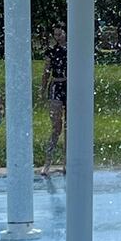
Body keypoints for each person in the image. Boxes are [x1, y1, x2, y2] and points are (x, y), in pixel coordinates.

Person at [40, 26, 68, 177]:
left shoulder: (72, 48)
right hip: (56, 86)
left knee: (69, 129)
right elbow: (46, 70)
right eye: (55, 34)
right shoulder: (51, 51)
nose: (58, 37)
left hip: (70, 85)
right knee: (56, 127)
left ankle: (66, 162)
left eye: (60, 33)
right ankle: (47, 162)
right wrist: (43, 89)